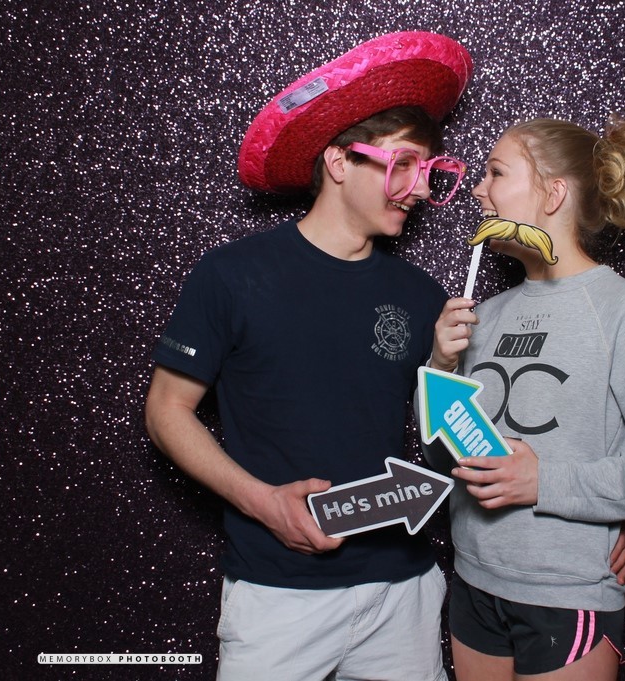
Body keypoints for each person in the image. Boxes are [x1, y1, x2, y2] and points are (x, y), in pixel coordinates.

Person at [144, 33, 473, 681]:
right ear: (339, 161)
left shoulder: (423, 296)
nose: (417, 189)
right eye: (404, 164)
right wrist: (264, 502)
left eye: (429, 172)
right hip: (279, 597)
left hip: (402, 595)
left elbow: (443, 444)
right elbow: (165, 411)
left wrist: (443, 366)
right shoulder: (233, 275)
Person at [425, 116, 625, 681]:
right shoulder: (484, 316)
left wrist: (543, 482)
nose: (477, 190)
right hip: (474, 578)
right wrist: (440, 365)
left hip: (564, 591)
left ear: (553, 194)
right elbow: (442, 454)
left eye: (496, 173)